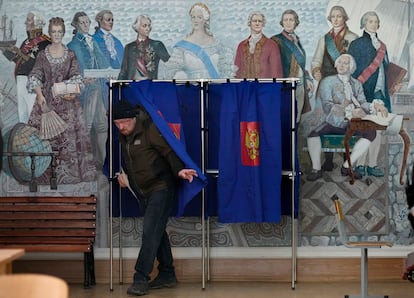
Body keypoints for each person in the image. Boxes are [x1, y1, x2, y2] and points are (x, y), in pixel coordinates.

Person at [112, 100, 198, 296]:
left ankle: (140, 278)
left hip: (161, 187)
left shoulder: (150, 129)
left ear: (134, 118)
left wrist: (180, 171)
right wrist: (124, 175)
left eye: (124, 122)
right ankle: (167, 273)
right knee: (157, 232)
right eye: (117, 123)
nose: (121, 127)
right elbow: (134, 159)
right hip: (143, 191)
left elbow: (169, 151)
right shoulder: (124, 134)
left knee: (150, 232)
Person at [27, 17, 96, 184]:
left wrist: (71, 92)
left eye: (59, 32)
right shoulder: (43, 55)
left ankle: (68, 176)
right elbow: (35, 75)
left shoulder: (70, 54)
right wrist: (40, 95)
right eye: (53, 32)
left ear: (63, 33)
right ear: (49, 33)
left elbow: (76, 76)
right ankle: (44, 174)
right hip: (47, 102)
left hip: (67, 104)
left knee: (69, 140)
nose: (56, 35)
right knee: (43, 140)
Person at [305, 54, 388, 181]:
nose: (342, 66)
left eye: (345, 63)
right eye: (340, 63)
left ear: (352, 67)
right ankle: (316, 169)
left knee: (371, 133)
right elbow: (327, 105)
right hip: (333, 122)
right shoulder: (327, 82)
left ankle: (347, 167)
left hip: (352, 123)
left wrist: (375, 106)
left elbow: (362, 102)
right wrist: (348, 111)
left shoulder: (356, 84)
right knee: (312, 134)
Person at [311, 5, 358, 171]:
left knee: (347, 119)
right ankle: (328, 161)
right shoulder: (324, 39)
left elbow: (355, 65)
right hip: (327, 85)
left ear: (344, 18)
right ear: (330, 19)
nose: (336, 19)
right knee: (326, 119)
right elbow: (316, 60)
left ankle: (347, 160)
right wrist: (316, 71)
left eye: (339, 16)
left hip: (344, 84)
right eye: (333, 16)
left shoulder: (353, 38)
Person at [348, 11, 391, 178]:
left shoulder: (382, 45)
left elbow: (385, 68)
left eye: (376, 21)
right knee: (363, 129)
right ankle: (360, 165)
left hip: (379, 93)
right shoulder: (356, 44)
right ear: (364, 23)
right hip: (363, 92)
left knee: (378, 129)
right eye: (370, 21)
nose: (373, 24)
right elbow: (353, 70)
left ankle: (372, 165)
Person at [67, 11, 110, 171]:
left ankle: (102, 161)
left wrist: (107, 71)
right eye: (83, 23)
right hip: (86, 91)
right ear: (76, 25)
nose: (86, 25)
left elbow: (103, 61)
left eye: (87, 22)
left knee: (102, 125)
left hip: (98, 87)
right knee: (86, 125)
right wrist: (84, 77)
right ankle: (84, 164)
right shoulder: (73, 45)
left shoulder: (92, 41)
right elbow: (73, 69)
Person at [0, 12, 50, 123]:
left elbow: (37, 64)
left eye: (28, 20)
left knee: (33, 114)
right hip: (21, 81)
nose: (25, 22)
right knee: (22, 115)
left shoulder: (45, 43)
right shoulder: (27, 41)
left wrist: (19, 52)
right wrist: (5, 52)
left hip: (33, 82)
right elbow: (19, 61)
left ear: (36, 23)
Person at [163, 2, 234, 79]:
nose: (195, 20)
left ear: (205, 20)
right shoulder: (182, 46)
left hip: (214, 88)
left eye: (199, 17)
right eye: (193, 17)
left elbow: (226, 73)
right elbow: (171, 71)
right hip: (191, 89)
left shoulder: (217, 45)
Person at [271, 9, 313, 121]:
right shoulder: (276, 40)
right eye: (285, 20)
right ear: (282, 22)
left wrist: (307, 78)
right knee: (286, 117)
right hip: (286, 85)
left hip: (300, 84)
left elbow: (301, 64)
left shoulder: (296, 40)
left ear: (296, 22)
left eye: (291, 20)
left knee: (297, 118)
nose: (288, 22)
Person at [118, 15, 170, 80]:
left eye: (149, 25)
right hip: (132, 86)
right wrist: (117, 88)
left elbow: (171, 64)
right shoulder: (129, 47)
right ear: (137, 28)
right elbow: (123, 71)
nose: (148, 28)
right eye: (144, 26)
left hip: (150, 86)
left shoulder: (157, 45)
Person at [234, 11, 282, 79]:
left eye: (260, 21)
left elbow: (276, 72)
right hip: (245, 87)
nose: (257, 23)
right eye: (254, 21)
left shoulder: (272, 45)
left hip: (264, 87)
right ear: (249, 23)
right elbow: (237, 70)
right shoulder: (241, 46)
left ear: (263, 24)